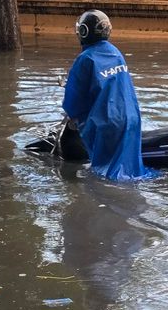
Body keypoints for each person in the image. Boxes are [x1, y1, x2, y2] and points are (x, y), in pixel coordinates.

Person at [62, 10, 149, 181]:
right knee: (130, 170)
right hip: (131, 117)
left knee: (106, 175)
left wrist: (73, 119)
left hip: (107, 122)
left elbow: (74, 99)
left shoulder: (85, 59)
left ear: (84, 32)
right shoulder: (116, 53)